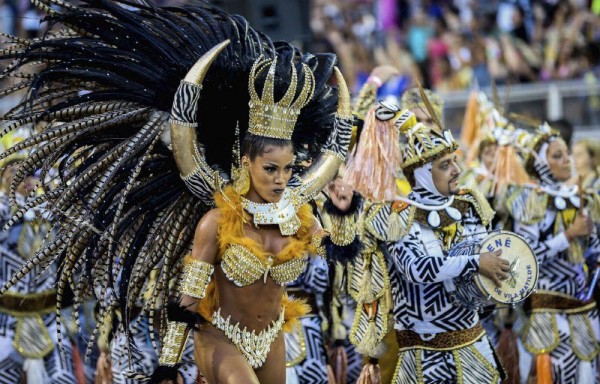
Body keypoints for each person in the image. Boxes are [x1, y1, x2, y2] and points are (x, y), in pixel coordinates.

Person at [0, 1, 355, 383]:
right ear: (245, 164)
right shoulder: (215, 221)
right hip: (220, 338)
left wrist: (346, 212)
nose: (281, 179)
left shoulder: (298, 215)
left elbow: (340, 252)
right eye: (270, 169)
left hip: (272, 337)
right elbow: (188, 300)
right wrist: (168, 366)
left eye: (288, 169)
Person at [358, 87, 508, 383]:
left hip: (475, 346)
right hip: (425, 358)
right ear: (422, 173)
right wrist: (475, 262)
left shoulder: (469, 204)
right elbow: (417, 269)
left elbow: (491, 254)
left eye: (454, 161)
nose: (456, 170)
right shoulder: (397, 215)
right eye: (445, 165)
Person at [506, 124, 600, 383]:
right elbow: (527, 256)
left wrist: (592, 239)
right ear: (541, 165)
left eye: (567, 153)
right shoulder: (529, 199)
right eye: (557, 156)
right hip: (548, 310)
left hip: (584, 307)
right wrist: (568, 235)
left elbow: (591, 256)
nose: (567, 160)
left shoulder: (583, 197)